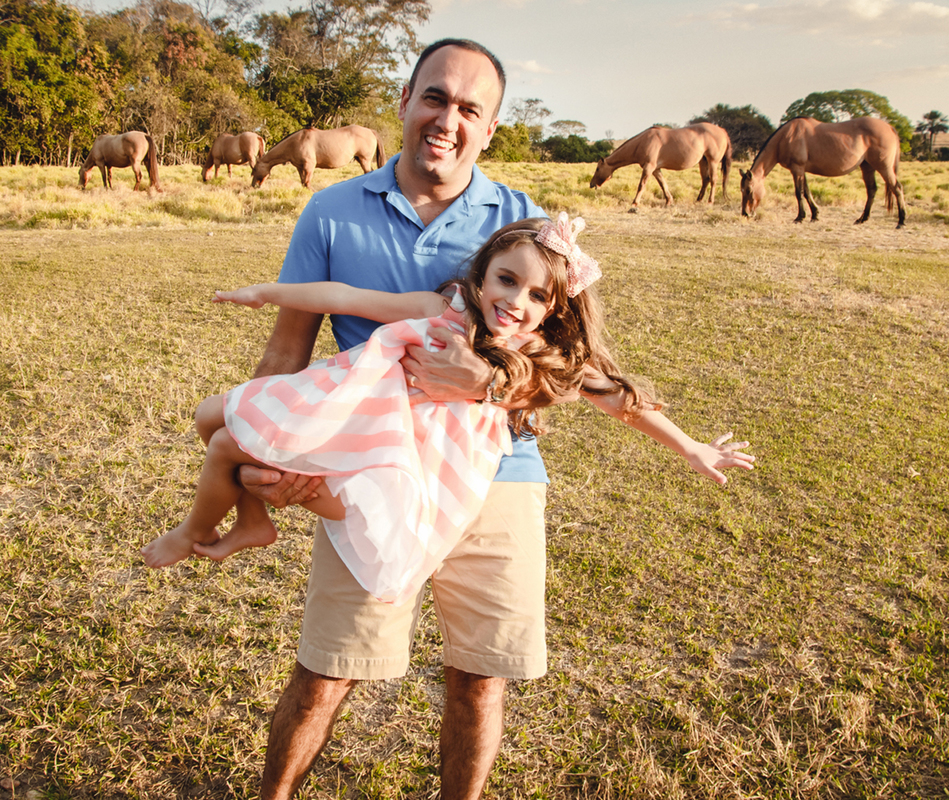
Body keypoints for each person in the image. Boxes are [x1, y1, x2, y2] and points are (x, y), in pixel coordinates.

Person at [193, 38, 733, 800]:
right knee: (328, 674)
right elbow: (288, 353)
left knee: (480, 681)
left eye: (470, 108)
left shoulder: (525, 226)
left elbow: (575, 370)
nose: (448, 119)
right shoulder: (332, 210)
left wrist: (487, 385)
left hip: (498, 473)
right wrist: (267, 450)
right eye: (436, 97)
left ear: (490, 128)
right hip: (373, 470)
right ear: (407, 101)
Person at [141, 216, 753, 607]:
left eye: (538, 295)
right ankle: (251, 521)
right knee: (210, 415)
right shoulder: (446, 306)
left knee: (225, 444)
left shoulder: (537, 351)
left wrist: (692, 446)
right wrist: (267, 292)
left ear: (552, 308)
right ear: (483, 272)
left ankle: (198, 530)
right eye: (507, 280)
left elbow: (618, 398)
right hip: (359, 415)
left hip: (416, 464)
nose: (516, 301)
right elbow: (350, 298)